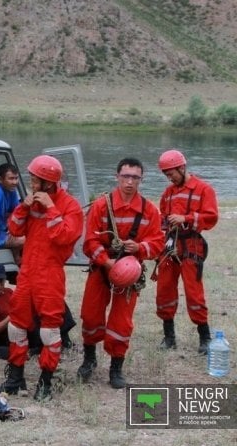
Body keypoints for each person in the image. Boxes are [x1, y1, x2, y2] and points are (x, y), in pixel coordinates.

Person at [0, 155, 84, 401]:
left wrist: (51, 208)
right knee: (16, 326)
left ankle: (45, 380)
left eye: (35, 180)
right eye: (31, 179)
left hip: (50, 273)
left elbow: (63, 237)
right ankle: (15, 378)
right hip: (28, 272)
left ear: (48, 183)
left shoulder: (70, 206)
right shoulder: (30, 203)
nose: (31, 184)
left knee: (50, 331)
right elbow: (14, 229)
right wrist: (24, 206)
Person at [77, 158, 164, 388]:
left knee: (121, 321)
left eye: (135, 177)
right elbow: (90, 242)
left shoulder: (149, 210)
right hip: (101, 269)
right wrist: (107, 263)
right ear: (117, 176)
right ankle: (89, 359)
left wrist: (139, 248)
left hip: (130, 273)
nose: (129, 181)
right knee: (91, 315)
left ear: (141, 180)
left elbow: (157, 243)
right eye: (125, 176)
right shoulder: (101, 206)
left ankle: (116, 367)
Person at [154, 149, 219, 354]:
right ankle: (169, 337)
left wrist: (186, 219)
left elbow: (211, 217)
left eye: (171, 173)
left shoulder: (203, 189)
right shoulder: (168, 193)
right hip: (169, 245)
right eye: (166, 175)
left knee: (194, 293)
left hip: (191, 246)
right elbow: (162, 218)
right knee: (164, 290)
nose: (169, 177)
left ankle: (205, 337)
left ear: (182, 167)